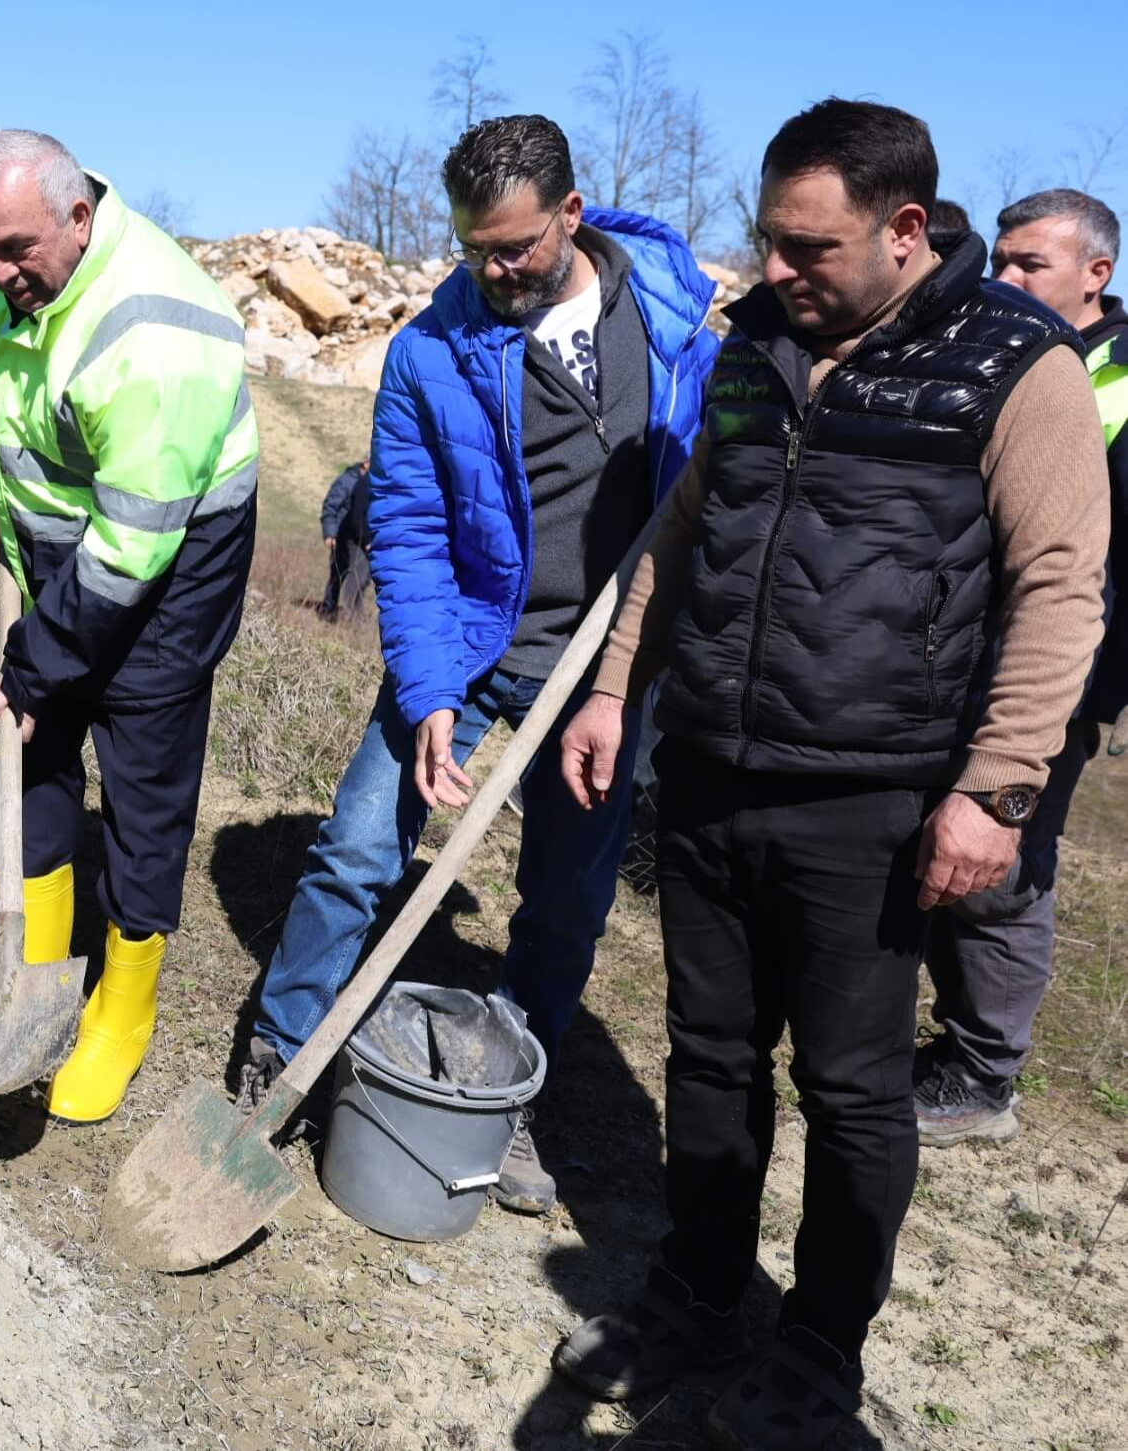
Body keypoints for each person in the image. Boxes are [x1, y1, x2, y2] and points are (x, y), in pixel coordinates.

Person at [552, 100, 1108, 1447]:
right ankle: (699, 1280)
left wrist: (999, 786)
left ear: (905, 229)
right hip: (713, 768)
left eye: (810, 246)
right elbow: (683, 537)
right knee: (709, 1049)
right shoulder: (753, 349)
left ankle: (821, 1341)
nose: (778, 269)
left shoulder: (1015, 364)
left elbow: (1059, 584)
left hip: (876, 790)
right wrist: (619, 686)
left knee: (852, 1084)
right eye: (767, 240)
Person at [230, 115, 720, 1216]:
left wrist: (631, 665)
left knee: (565, 896)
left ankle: (503, 1097)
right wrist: (432, 693)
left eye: (514, 248)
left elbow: (703, 479)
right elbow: (404, 530)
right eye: (471, 249)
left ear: (571, 216)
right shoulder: (428, 351)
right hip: (475, 644)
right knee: (357, 849)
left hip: (611, 668)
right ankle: (283, 1047)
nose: (492, 272)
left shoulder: (677, 313)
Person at [0, 130, 258, 1125]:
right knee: (32, 749)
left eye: (15, 252)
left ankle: (121, 1011)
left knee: (143, 781)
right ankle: (31, 980)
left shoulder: (159, 331)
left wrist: (38, 654)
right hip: (64, 542)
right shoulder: (17, 261)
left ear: (78, 217)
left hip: (170, 563)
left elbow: (131, 549)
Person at [909, 190, 1128, 1147]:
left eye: (1028, 265)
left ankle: (983, 1074)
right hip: (953, 654)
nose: (1003, 280)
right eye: (998, 260)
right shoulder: (1004, 350)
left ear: (1096, 274)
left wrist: (1089, 691)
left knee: (1004, 866)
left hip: (1058, 675)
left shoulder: (1115, 383)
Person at [315, 455, 372, 619]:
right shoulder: (347, 481)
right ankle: (328, 609)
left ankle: (352, 612)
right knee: (338, 573)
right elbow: (331, 506)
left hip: (355, 534)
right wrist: (329, 533)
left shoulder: (368, 483)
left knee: (359, 575)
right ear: (365, 463)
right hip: (340, 534)